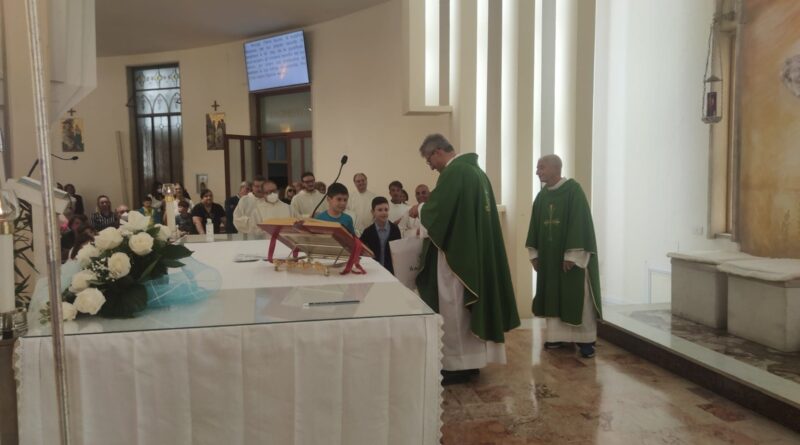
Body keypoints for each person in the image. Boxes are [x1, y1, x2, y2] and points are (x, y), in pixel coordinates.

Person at [409, 134, 520, 384]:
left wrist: (421, 209)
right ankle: (471, 362)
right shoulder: (477, 173)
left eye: (429, 160)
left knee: (454, 307)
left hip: (457, 259)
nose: (430, 166)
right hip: (474, 253)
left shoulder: (455, 173)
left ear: (438, 151)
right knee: (465, 310)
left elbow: (439, 210)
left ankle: (457, 365)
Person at [526, 154, 602, 358]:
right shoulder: (542, 196)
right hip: (550, 260)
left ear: (554, 168)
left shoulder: (574, 191)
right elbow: (534, 225)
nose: (537, 172)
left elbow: (580, 223)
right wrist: (534, 253)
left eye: (541, 167)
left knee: (577, 297)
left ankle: (586, 341)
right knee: (553, 295)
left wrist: (572, 255)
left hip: (570, 261)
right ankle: (556, 337)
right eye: (537, 168)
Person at [360, 197, 401, 273]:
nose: (384, 213)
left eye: (386, 209)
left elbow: (399, 251)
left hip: (391, 271)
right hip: (373, 270)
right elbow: (359, 247)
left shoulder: (395, 229)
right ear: (373, 212)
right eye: (380, 210)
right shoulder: (368, 231)